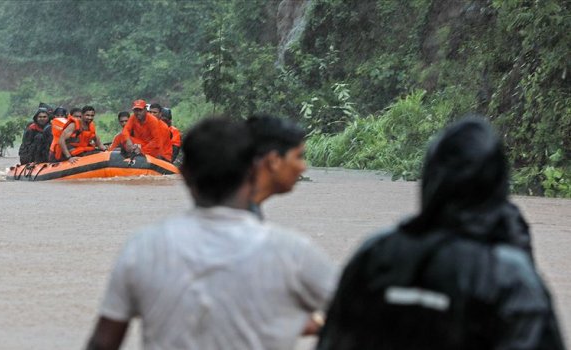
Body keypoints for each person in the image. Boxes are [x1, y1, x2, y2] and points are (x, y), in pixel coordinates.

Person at [86, 117, 338, 350]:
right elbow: (362, 317)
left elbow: (103, 342)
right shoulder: (293, 252)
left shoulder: (142, 247)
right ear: (254, 170)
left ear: (183, 175)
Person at [317, 117, 565, 350]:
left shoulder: (375, 254)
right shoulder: (509, 275)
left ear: (430, 179)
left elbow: (333, 341)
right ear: (496, 183)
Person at [246, 114, 307, 219]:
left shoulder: (240, 208)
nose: (303, 167)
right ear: (274, 160)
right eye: (298, 157)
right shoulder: (239, 219)